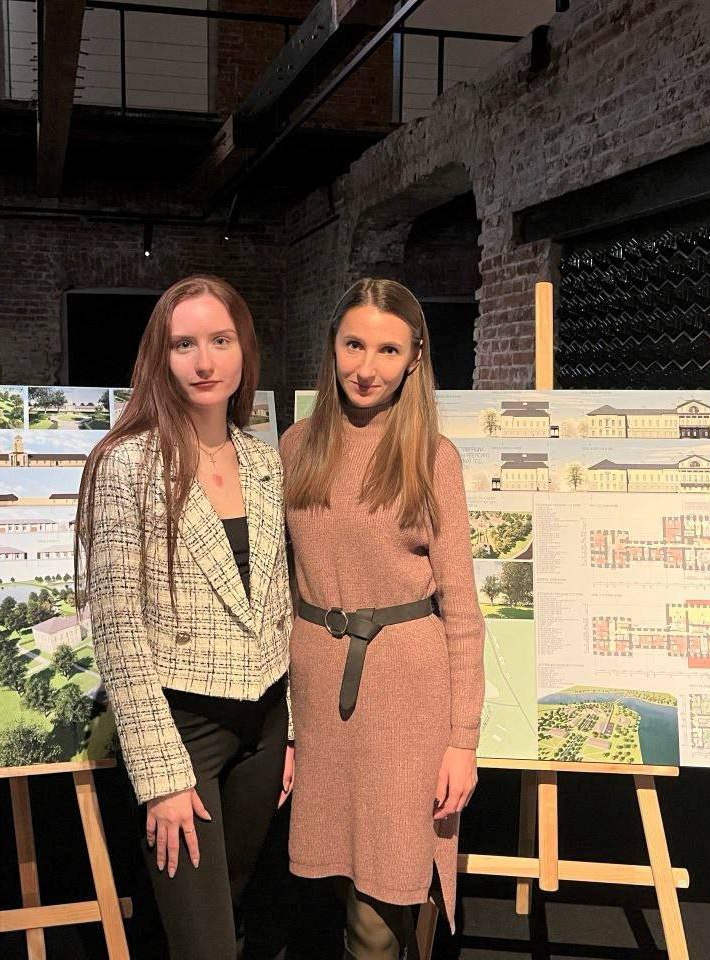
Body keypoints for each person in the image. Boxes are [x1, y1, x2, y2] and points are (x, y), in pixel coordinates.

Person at [77, 275, 293, 959]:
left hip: (265, 726)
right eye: (185, 344)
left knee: (235, 912)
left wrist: (291, 731)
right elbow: (117, 631)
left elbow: (280, 603)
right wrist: (161, 775)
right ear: (160, 357)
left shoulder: (263, 461)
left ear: (243, 349)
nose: (204, 362)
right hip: (182, 731)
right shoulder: (127, 464)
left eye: (220, 341)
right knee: (205, 944)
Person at [280, 278, 484, 959]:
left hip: (406, 695)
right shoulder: (295, 447)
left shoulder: (431, 457)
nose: (367, 368)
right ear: (332, 347)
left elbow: (462, 611)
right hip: (318, 690)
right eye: (354, 345)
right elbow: (276, 591)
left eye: (388, 350)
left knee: (380, 899)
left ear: (415, 357)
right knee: (329, 882)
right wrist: (283, 727)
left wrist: (462, 740)